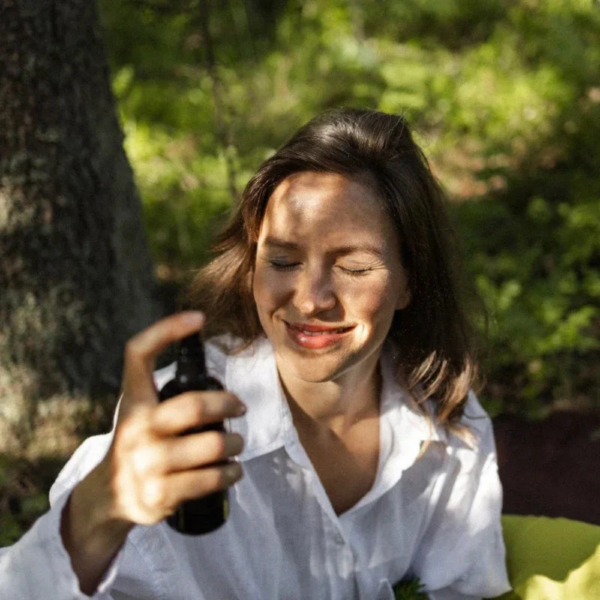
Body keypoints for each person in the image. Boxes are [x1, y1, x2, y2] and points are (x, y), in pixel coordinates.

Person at [0, 108, 511, 600]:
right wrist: (97, 514)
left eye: (354, 268)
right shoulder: (178, 424)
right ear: (251, 264)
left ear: (409, 282)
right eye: (283, 260)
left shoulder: (445, 422)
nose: (311, 299)